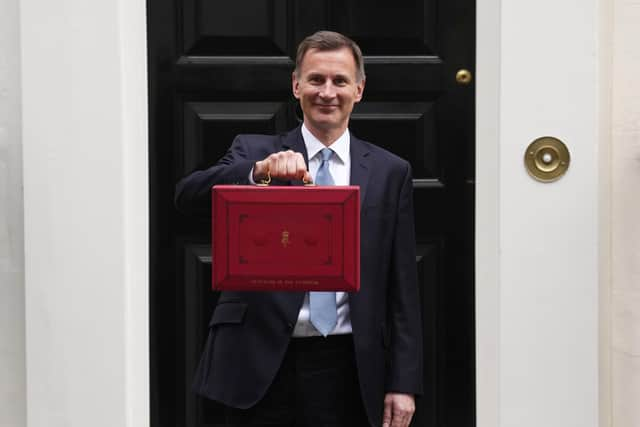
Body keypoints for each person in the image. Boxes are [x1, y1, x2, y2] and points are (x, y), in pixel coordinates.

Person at [175, 30, 423, 427]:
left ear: (358, 89)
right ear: (296, 85)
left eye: (340, 81)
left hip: (350, 364)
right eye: (316, 79)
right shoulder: (254, 151)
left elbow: (402, 286)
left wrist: (403, 381)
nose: (327, 92)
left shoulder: (389, 172)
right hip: (256, 362)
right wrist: (258, 174)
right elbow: (186, 199)